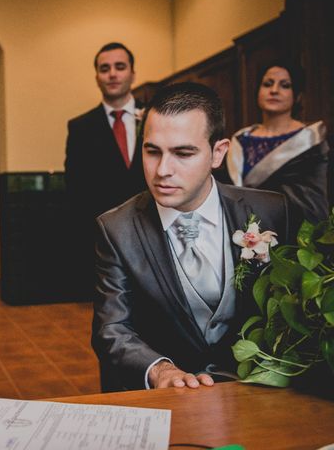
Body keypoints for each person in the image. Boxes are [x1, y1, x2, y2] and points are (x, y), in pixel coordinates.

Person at [92, 82, 289, 392]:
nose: (162, 170)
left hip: (255, 392)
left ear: (218, 153)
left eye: (183, 153)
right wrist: (159, 371)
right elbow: (112, 328)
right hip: (165, 401)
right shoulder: (116, 228)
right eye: (152, 151)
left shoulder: (271, 210)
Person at [64, 42, 146, 300]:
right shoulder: (80, 127)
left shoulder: (157, 116)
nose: (112, 74)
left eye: (120, 67)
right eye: (105, 68)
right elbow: (76, 189)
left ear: (132, 73)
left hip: (153, 229)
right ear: (97, 77)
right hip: (105, 239)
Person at [225, 62, 328, 225]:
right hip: (241, 228)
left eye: (285, 85)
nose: (274, 90)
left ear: (298, 95)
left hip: (291, 235)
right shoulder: (240, 139)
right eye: (267, 84)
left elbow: (314, 200)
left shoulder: (312, 140)